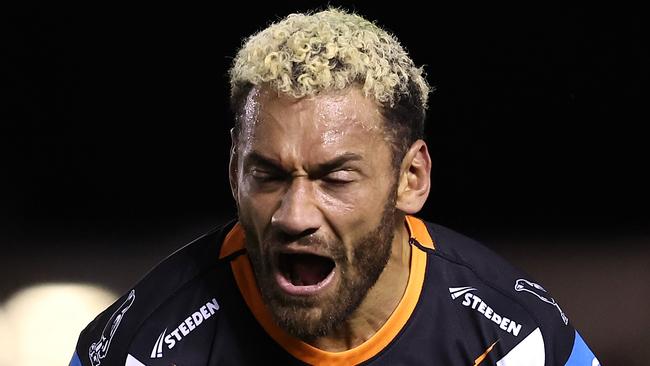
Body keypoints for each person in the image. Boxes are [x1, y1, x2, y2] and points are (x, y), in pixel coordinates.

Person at [70, 8, 600, 366]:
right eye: (269, 175)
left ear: (410, 179)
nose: (295, 214)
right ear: (234, 170)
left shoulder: (514, 341)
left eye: (335, 178)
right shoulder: (142, 347)